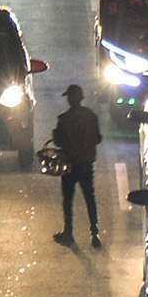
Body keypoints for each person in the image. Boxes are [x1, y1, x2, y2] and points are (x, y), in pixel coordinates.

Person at [50, 84, 102, 248]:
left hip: (69, 164)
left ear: (70, 99)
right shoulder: (91, 116)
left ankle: (68, 232)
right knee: (89, 198)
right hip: (86, 163)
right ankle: (94, 233)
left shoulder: (63, 119)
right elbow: (98, 138)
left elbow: (58, 142)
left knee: (68, 200)